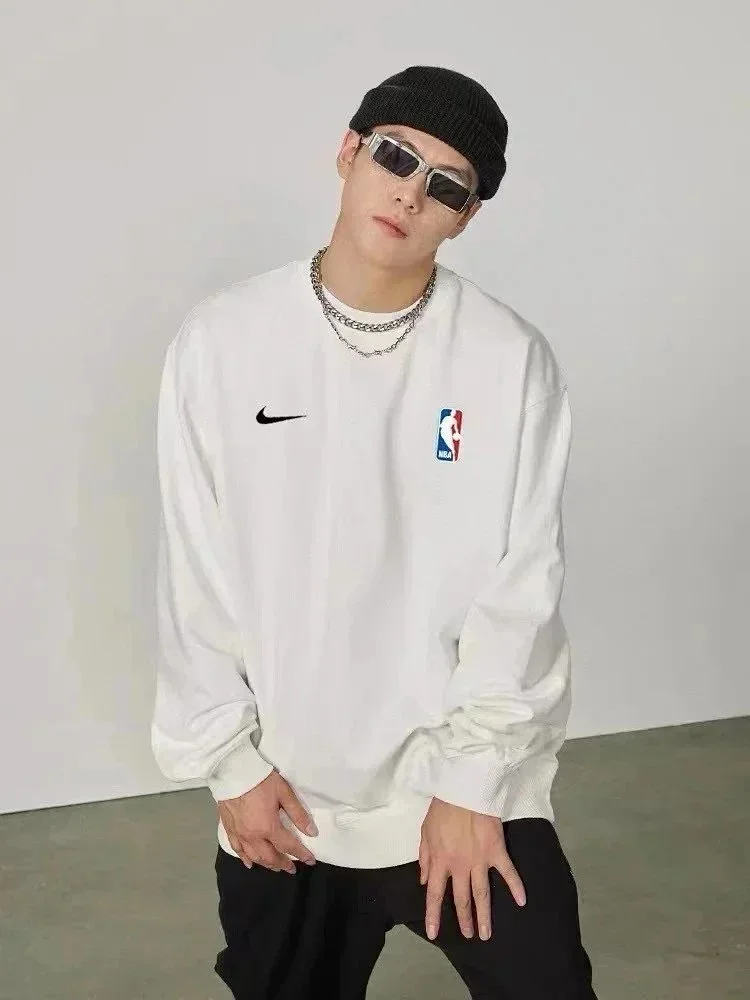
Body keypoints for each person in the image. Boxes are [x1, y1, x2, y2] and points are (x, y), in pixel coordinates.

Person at [151, 64, 598, 1000]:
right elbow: (195, 571)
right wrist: (230, 766)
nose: (410, 193)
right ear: (349, 152)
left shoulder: (508, 361)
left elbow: (522, 589)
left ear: (466, 217)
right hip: (288, 794)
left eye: (447, 186)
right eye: (396, 157)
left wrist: (470, 787)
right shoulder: (223, 342)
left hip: (459, 783)